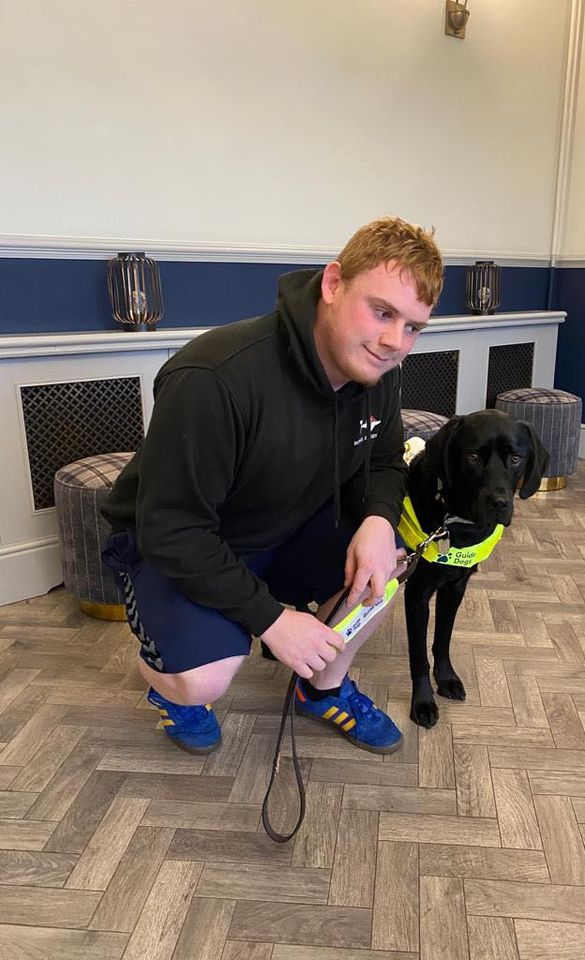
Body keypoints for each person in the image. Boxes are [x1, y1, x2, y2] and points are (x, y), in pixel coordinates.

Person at [101, 216, 444, 755]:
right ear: (333, 285)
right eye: (382, 312)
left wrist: (378, 520)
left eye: (412, 327)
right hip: (177, 545)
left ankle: (321, 689)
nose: (393, 341)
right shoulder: (214, 377)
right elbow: (172, 530)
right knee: (207, 677)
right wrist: (274, 621)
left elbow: (383, 460)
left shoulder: (378, 371)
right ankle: (170, 684)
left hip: (285, 525)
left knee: (388, 565)